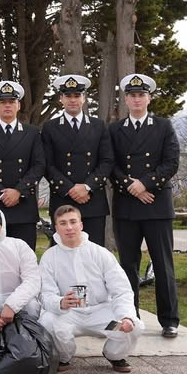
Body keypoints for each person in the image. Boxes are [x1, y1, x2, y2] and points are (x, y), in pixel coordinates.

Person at [109, 73, 181, 338]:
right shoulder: (115, 130)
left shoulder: (163, 126)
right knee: (128, 264)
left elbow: (171, 162)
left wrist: (146, 184)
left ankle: (169, 319)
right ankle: (132, 316)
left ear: (148, 98)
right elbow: (110, 164)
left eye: (141, 95)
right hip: (127, 205)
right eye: (132, 95)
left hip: (157, 204)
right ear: (126, 99)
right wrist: (132, 186)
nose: (137, 99)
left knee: (163, 264)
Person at [38, 204, 142, 373]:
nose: (69, 227)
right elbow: (45, 294)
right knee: (48, 322)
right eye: (63, 223)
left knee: (133, 325)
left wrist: (126, 316)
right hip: (70, 315)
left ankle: (114, 355)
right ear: (56, 228)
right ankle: (64, 357)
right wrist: (60, 303)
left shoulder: (100, 253)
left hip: (101, 318)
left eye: (73, 221)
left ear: (81, 224)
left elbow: (121, 290)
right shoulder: (50, 257)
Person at [40, 74, 114, 246]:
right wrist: (70, 189)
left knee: (94, 251)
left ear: (83, 98)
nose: (72, 100)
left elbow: (107, 161)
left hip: (92, 199)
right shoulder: (50, 127)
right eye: (68, 96)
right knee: (63, 251)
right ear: (61, 99)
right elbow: (47, 165)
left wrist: (87, 187)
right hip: (63, 198)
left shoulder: (98, 126)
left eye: (77, 95)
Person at [0, 80, 47, 250]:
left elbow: (38, 165)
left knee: (25, 258)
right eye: (2, 102)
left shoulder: (32, 133)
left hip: (23, 205)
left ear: (18, 105)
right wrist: (1, 194)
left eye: (11, 102)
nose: (7, 106)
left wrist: (18, 191)